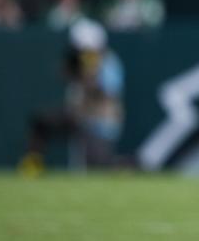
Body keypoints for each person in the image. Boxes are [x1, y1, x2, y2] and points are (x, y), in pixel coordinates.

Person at [18, 18, 125, 176]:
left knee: (100, 166)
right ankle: (32, 166)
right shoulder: (77, 60)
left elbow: (107, 91)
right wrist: (76, 69)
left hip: (99, 122)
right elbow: (64, 74)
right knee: (41, 121)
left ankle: (127, 166)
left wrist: (91, 74)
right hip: (77, 115)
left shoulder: (109, 62)